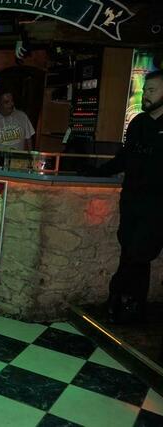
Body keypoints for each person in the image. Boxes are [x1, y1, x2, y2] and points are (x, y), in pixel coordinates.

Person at [94, 69, 163, 323]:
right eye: (145, 90)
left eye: (152, 90)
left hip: (157, 205)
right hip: (131, 200)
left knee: (138, 253)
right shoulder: (138, 123)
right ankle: (134, 306)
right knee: (131, 253)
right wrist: (96, 172)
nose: (145, 95)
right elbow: (123, 159)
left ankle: (117, 298)